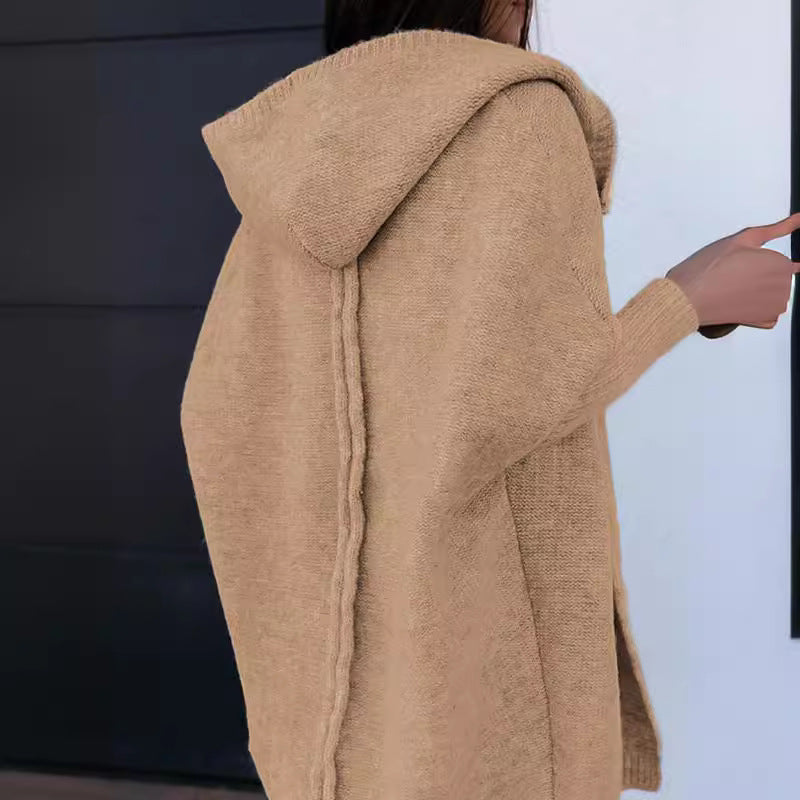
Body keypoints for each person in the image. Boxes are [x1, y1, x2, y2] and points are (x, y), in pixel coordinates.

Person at [180, 2, 800, 799]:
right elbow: (533, 382)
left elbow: (225, 399)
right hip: (485, 658)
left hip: (328, 695)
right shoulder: (515, 112)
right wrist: (690, 297)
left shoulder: (305, 138)